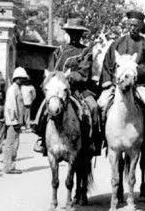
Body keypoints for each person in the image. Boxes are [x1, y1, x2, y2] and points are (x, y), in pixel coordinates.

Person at [33, 18, 102, 155]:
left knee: (93, 107)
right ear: (69, 33)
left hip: (78, 88)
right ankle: (42, 138)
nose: (75, 35)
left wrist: (68, 77)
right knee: (44, 106)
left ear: (81, 34)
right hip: (58, 86)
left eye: (78, 33)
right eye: (72, 32)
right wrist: (53, 78)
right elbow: (52, 69)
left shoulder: (86, 51)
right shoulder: (59, 50)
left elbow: (84, 72)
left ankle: (92, 141)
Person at [98, 9, 145, 145]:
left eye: (136, 26)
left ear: (141, 27)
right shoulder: (117, 44)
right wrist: (108, 81)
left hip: (138, 85)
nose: (133, 28)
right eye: (130, 25)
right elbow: (108, 64)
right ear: (127, 26)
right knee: (101, 104)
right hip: (117, 85)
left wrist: (135, 74)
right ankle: (101, 137)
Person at [4, 68, 28, 174]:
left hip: (17, 122)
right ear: (16, 78)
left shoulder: (18, 89)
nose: (23, 80)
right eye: (21, 79)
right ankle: (9, 167)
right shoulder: (12, 89)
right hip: (13, 122)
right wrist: (14, 121)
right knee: (11, 144)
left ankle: (11, 166)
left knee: (15, 144)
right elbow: (10, 107)